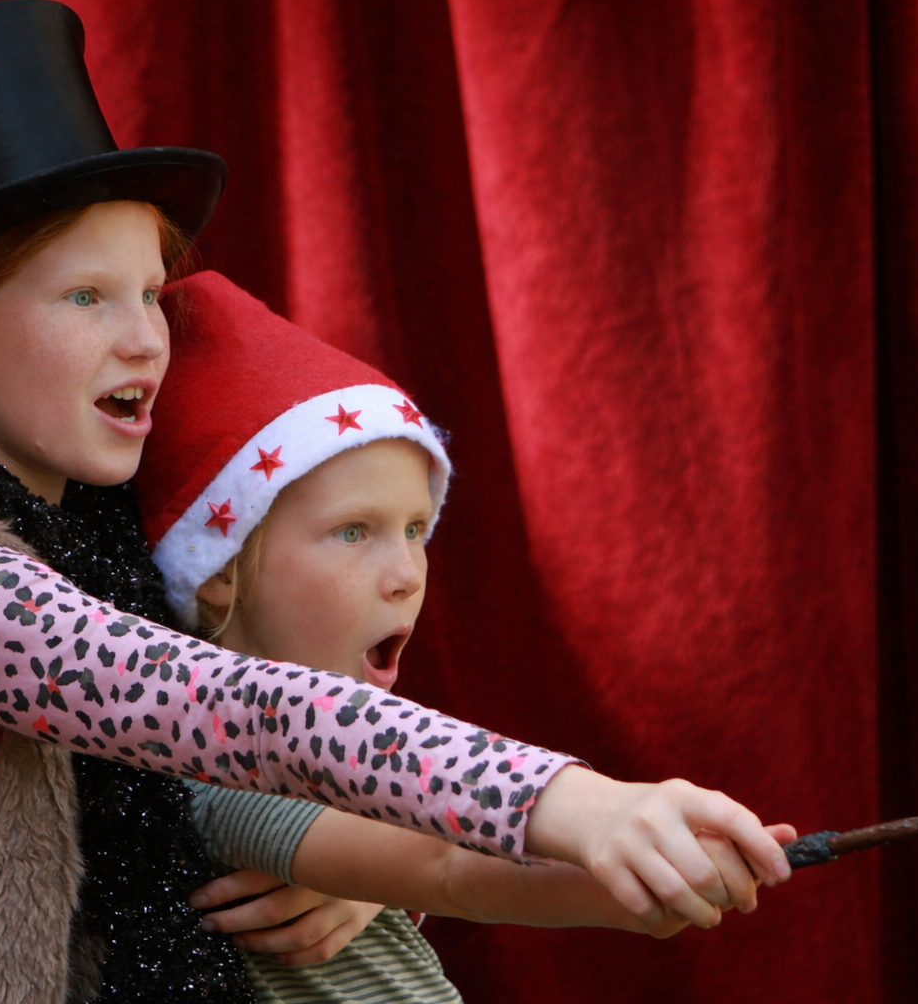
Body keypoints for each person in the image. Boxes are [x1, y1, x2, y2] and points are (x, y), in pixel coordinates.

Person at [0, 0, 792, 1004]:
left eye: (150, 296)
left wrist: (370, 862)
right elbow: (239, 709)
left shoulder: (86, 546)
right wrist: (581, 803)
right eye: (85, 296)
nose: (141, 340)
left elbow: (224, 791)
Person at [133, 272, 798, 1003]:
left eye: (416, 530)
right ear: (217, 571)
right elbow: (446, 864)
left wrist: (644, 875)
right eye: (353, 532)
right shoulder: (212, 764)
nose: (406, 574)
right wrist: (607, 844)